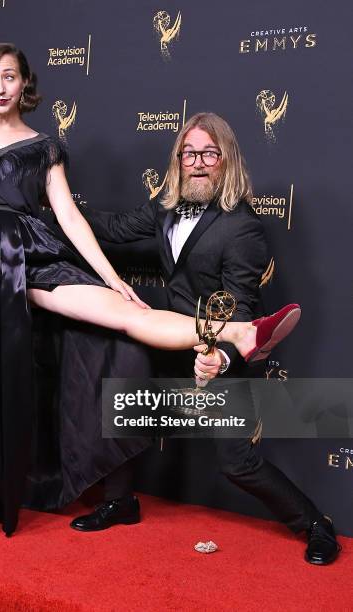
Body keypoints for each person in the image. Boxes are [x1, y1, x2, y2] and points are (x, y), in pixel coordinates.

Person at [0, 48, 298, 538]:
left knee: (124, 313)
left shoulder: (45, 148)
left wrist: (112, 278)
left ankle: (239, 332)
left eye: (9, 77)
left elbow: (69, 217)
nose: (0, 87)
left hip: (29, 254)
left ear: (25, 83)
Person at [74, 113, 340, 565]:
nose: (197, 163)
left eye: (208, 154)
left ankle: (316, 524)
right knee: (117, 395)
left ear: (226, 159)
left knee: (237, 463)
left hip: (217, 350)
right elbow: (117, 229)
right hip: (170, 339)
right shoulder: (165, 205)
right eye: (189, 153)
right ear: (179, 158)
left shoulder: (242, 227)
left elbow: (240, 308)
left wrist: (220, 357)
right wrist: (53, 204)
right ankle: (121, 500)